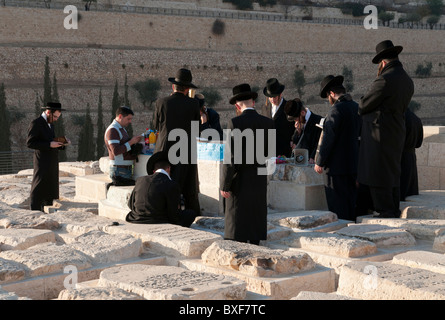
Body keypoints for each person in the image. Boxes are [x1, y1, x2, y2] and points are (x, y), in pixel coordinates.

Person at [358, 40, 414, 218]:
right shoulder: (406, 78)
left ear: (382, 62)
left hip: (380, 132)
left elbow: (363, 105)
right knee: (392, 171)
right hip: (397, 130)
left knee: (378, 171)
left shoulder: (384, 79)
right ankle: (392, 207)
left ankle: (385, 210)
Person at [220, 83, 275, 245]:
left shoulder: (234, 123)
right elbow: (270, 157)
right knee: (256, 218)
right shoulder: (268, 123)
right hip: (259, 179)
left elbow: (230, 159)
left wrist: (225, 184)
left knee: (239, 222)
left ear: (237, 105)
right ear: (253, 102)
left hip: (240, 180)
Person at [153, 68, 201, 216]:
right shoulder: (193, 104)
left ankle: (161, 210)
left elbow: (156, 125)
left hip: (165, 150)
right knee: (187, 184)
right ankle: (189, 212)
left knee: (164, 181)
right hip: (185, 150)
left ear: (173, 86)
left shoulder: (161, 102)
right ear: (187, 89)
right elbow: (196, 129)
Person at [314, 75, 360, 221]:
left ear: (332, 94)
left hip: (336, 168)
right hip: (353, 165)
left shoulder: (335, 110)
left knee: (337, 206)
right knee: (350, 204)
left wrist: (320, 161)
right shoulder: (356, 107)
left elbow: (328, 139)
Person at [126, 151, 198, 227]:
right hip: (158, 220)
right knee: (191, 213)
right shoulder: (172, 184)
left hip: (136, 218)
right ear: (169, 169)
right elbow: (173, 214)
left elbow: (131, 205)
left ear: (154, 171)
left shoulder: (140, 180)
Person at [27, 102, 70, 212]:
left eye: (57, 117)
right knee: (39, 185)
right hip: (41, 161)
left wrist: (61, 144)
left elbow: (50, 141)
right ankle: (35, 210)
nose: (56, 119)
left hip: (51, 161)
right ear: (48, 112)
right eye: (55, 116)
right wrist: (49, 145)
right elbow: (30, 143)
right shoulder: (36, 123)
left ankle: (48, 208)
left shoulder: (50, 124)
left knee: (51, 185)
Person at [104, 106, 143, 186]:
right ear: (120, 116)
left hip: (124, 169)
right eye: (128, 119)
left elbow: (124, 146)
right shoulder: (113, 130)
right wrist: (131, 142)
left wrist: (134, 142)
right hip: (119, 170)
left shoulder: (121, 129)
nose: (130, 121)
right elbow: (116, 151)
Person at [261, 78, 295, 157]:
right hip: (267, 153)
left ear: (280, 94)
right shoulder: (264, 108)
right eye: (270, 97)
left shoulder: (289, 106)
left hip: (284, 152)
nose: (273, 99)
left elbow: (295, 127)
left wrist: (293, 140)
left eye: (275, 97)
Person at [284, 98, 323, 163]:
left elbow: (319, 142)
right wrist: (298, 131)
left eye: (296, 119)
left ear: (302, 113)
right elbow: (295, 143)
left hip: (312, 162)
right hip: (299, 160)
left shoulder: (318, 120)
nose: (295, 121)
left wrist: (313, 157)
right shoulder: (299, 123)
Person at [400, 107, 423, 201]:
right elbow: (419, 143)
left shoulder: (400, 117)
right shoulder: (416, 119)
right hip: (411, 156)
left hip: (400, 156)